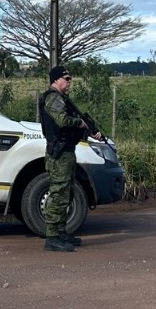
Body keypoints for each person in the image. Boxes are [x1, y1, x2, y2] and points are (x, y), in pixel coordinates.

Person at [38, 65, 101, 252]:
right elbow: (62, 121)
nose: (69, 82)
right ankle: (52, 236)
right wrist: (80, 123)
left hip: (66, 151)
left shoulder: (62, 98)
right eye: (66, 79)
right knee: (58, 193)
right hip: (59, 153)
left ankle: (61, 231)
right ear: (56, 80)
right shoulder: (53, 98)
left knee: (67, 193)